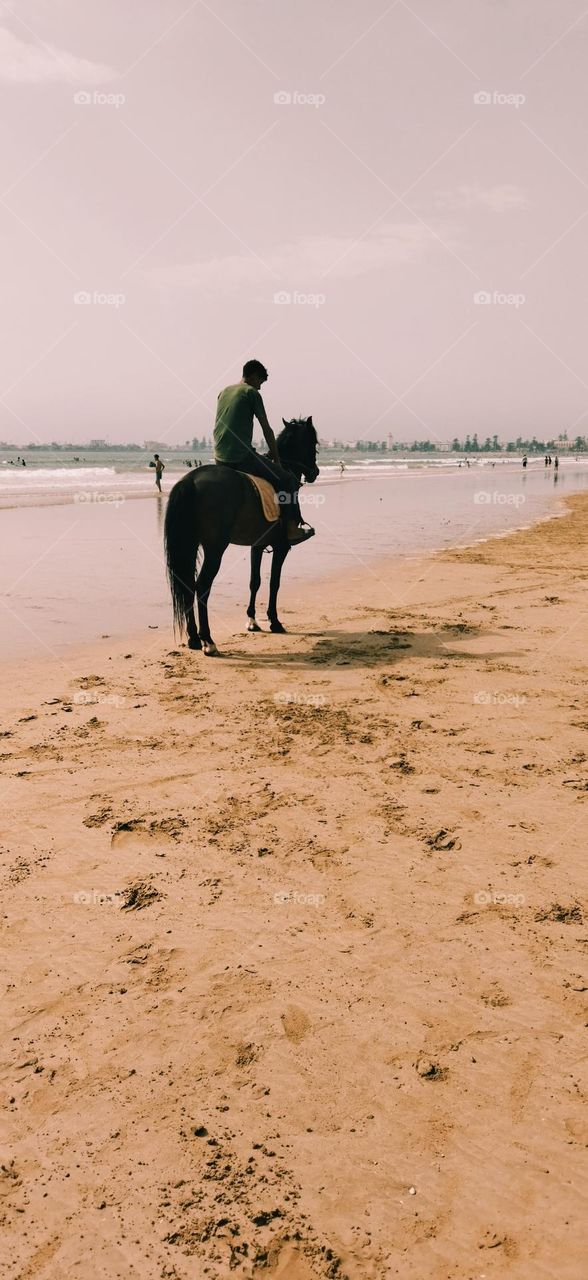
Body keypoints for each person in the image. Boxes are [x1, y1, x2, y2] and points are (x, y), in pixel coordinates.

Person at [213, 359, 313, 544]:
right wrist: (276, 460)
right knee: (287, 480)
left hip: (218, 456)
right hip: (240, 456)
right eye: (260, 382)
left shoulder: (223, 392)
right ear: (253, 376)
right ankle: (291, 529)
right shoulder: (251, 393)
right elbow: (266, 428)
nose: (260, 387)